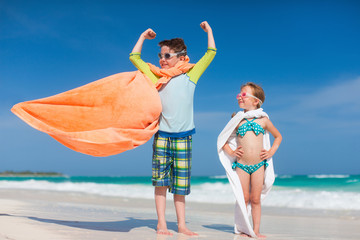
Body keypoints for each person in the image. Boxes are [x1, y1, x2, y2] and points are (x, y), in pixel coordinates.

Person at [129, 21, 216, 236]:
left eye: (167, 56)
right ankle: (161, 224)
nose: (162, 60)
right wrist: (142, 36)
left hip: (184, 138)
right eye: (160, 56)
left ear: (181, 56)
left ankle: (182, 225)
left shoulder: (190, 76)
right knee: (160, 183)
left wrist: (209, 31)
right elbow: (134, 58)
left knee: (180, 186)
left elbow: (211, 52)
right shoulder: (156, 77)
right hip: (161, 137)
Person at [219, 83, 282, 239]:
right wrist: (232, 152)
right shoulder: (237, 120)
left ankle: (256, 230)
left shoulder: (264, 120)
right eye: (239, 94)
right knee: (243, 198)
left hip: (259, 165)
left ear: (256, 101)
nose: (240, 97)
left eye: (244, 95)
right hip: (241, 165)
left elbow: (278, 137)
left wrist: (271, 151)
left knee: (255, 199)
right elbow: (223, 140)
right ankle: (243, 228)